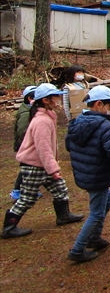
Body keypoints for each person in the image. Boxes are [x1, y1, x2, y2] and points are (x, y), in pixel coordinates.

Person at [2, 83, 84, 239]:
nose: (58, 99)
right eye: (55, 97)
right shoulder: (41, 121)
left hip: (43, 165)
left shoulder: (47, 116)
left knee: (60, 188)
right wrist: (53, 168)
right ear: (46, 100)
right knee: (27, 198)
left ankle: (63, 215)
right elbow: (43, 148)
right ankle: (9, 227)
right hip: (34, 166)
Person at [65, 86, 110, 263]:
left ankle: (94, 237)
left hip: (86, 173)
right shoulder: (104, 125)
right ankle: (78, 249)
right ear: (99, 104)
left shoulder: (77, 122)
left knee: (107, 201)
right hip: (97, 175)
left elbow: (68, 145)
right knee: (96, 212)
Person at [10, 85, 37, 200]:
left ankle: (28, 190)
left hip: (26, 145)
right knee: (26, 167)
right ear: (30, 98)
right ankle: (17, 190)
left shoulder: (29, 109)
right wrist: (28, 144)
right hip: (24, 145)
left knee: (32, 167)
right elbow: (22, 131)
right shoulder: (25, 113)